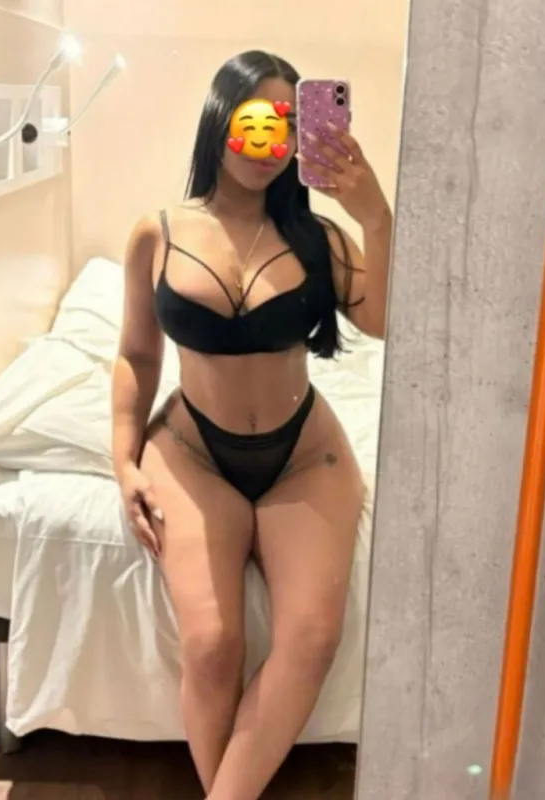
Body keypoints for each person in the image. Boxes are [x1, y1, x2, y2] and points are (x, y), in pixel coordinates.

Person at [111, 49, 391, 800]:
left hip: (304, 455)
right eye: (255, 121)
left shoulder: (318, 238)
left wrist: (374, 215)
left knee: (313, 637)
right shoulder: (158, 233)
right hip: (192, 453)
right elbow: (137, 355)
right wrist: (123, 460)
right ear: (220, 119)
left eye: (287, 126)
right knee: (210, 646)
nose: (270, 143)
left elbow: (383, 320)